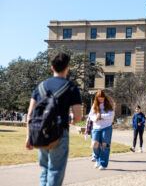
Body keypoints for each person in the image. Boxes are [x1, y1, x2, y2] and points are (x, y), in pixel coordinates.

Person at [25, 53, 82, 186]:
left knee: (45, 169)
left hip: (39, 133)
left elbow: (30, 114)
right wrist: (72, 120)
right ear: (67, 68)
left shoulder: (40, 87)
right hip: (59, 133)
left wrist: (29, 136)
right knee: (55, 171)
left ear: (52, 67)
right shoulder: (71, 87)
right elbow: (78, 116)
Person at [89, 90, 115, 170]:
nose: (100, 99)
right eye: (99, 97)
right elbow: (91, 115)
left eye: (102, 97)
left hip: (106, 127)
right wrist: (95, 118)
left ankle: (103, 164)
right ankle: (97, 158)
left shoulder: (108, 104)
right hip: (96, 127)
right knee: (94, 144)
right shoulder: (94, 105)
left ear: (104, 97)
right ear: (96, 98)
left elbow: (111, 115)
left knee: (105, 145)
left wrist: (100, 116)